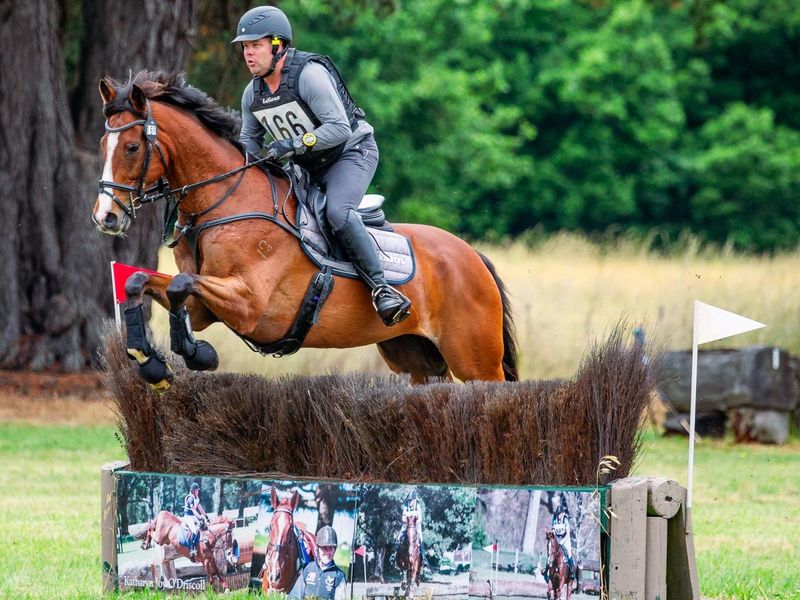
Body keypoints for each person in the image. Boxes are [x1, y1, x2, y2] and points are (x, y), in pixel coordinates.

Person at [232, 5, 411, 327]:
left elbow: (339, 128)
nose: (248, 54)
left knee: (337, 213)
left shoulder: (308, 75)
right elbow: (248, 143)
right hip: (309, 167)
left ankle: (382, 289)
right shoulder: (252, 94)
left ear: (278, 45)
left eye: (256, 45)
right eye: (245, 47)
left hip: (351, 153)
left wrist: (294, 144)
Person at [290, 525, 346, 599]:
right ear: (318, 549)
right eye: (324, 548)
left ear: (334, 550)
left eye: (330, 548)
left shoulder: (339, 576)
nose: (327, 552)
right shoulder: (308, 569)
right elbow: (295, 596)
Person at [391, 490, 427, 568]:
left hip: (416, 525)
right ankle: (393, 555)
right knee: (399, 537)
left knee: (420, 538)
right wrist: (409, 520)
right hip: (406, 525)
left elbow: (420, 518)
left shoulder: (417, 506)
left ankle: (424, 558)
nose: (410, 502)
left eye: (411, 500)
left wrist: (412, 519)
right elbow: (403, 518)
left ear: (414, 500)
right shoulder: (405, 506)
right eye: (409, 500)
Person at [183, 482, 209, 559]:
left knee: (203, 525)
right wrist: (200, 518)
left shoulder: (197, 498)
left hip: (193, 516)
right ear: (193, 491)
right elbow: (193, 510)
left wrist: (206, 516)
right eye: (197, 490)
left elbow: (200, 508)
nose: (198, 491)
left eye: (198, 490)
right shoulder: (190, 498)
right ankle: (192, 548)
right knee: (194, 530)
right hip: (188, 517)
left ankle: (203, 541)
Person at [550, 505, 575, 580]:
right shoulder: (554, 519)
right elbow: (553, 531)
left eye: (560, 513)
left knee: (568, 554)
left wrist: (562, 542)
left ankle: (572, 572)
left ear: (563, 513)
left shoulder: (565, 520)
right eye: (558, 513)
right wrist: (554, 540)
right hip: (558, 538)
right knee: (551, 551)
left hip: (565, 538)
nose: (559, 515)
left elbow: (568, 534)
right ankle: (547, 569)